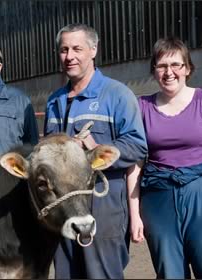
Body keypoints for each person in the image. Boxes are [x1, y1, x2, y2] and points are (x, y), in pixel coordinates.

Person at [128, 37, 202, 279]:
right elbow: (135, 165)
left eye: (176, 65)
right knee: (169, 273)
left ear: (187, 68)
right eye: (161, 66)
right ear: (154, 71)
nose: (169, 72)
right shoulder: (141, 107)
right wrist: (134, 215)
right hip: (157, 201)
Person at [44, 23, 148, 279]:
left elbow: (137, 146)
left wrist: (95, 149)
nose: (69, 56)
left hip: (101, 207)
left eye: (77, 48)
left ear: (93, 50)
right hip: (63, 209)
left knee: (101, 274)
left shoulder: (117, 95)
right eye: (64, 50)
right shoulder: (54, 100)